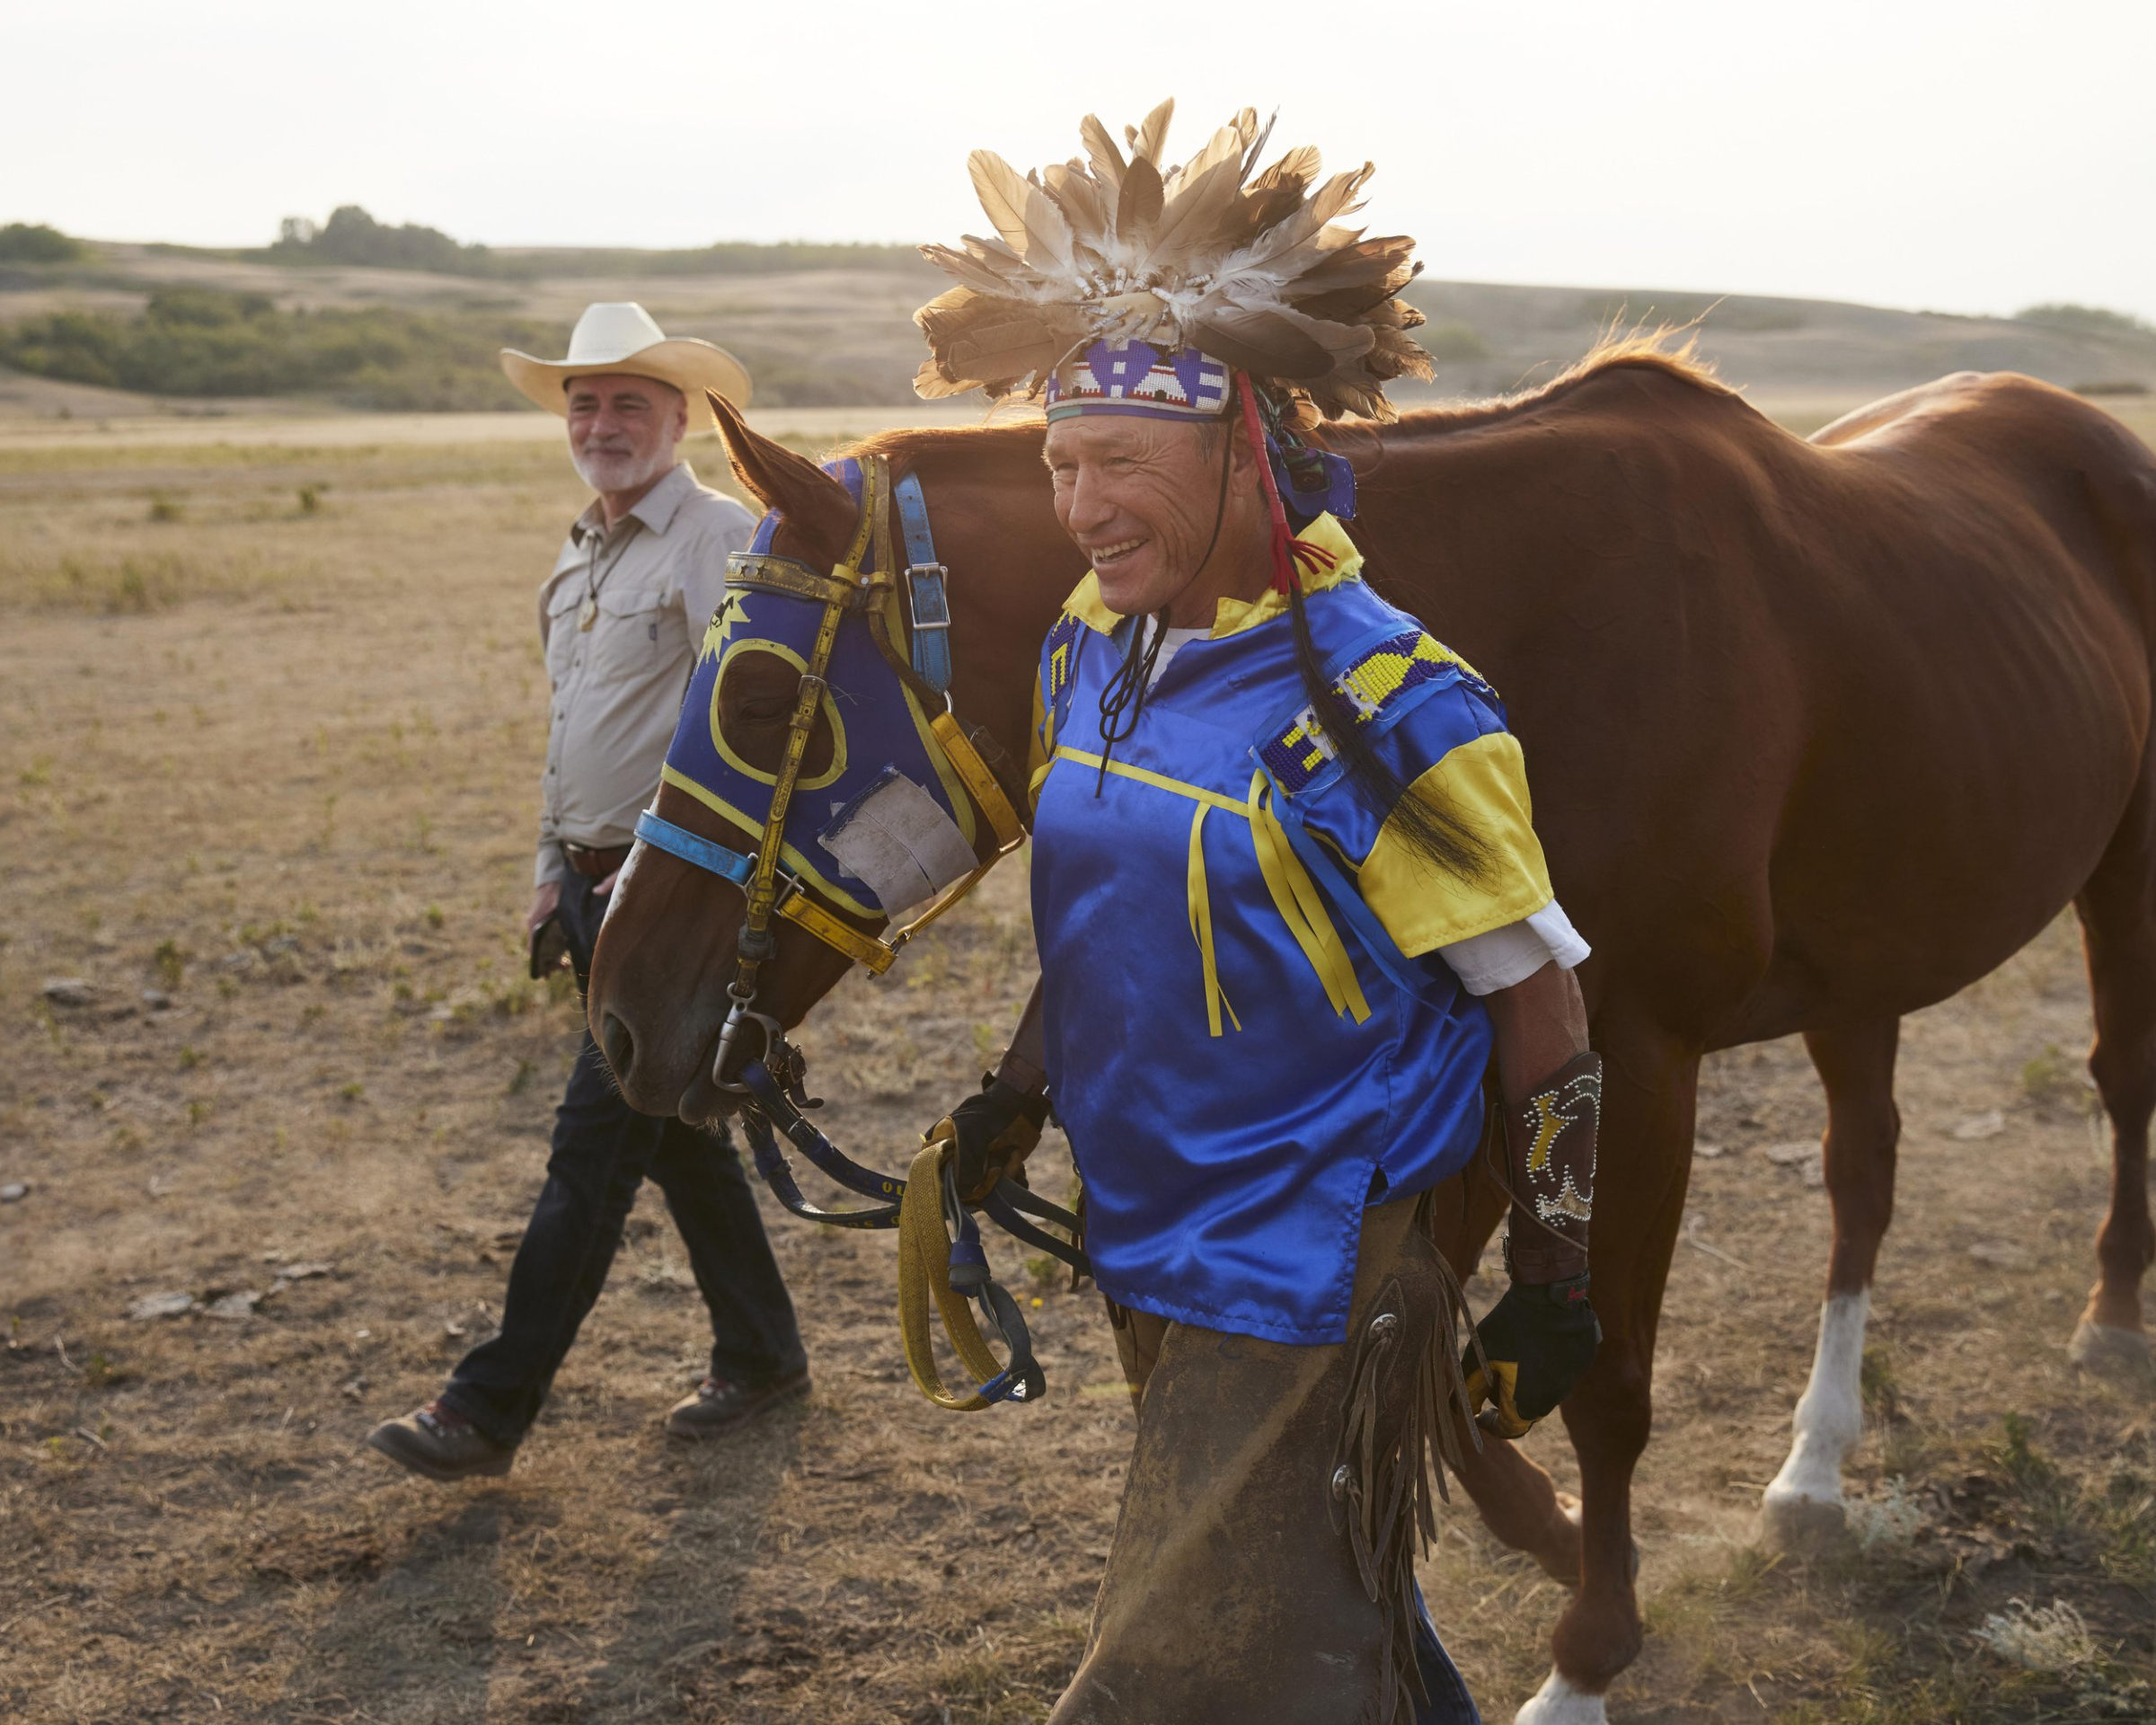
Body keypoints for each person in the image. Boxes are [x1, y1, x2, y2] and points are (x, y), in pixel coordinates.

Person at [912, 109, 1602, 1722]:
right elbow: (1096, 915)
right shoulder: (1098, 645)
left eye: (1119, 466)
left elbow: (1545, 1015)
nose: (1079, 508)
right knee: (1322, 1621)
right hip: (1145, 1235)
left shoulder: (1393, 706)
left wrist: (1554, 1283)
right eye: (1060, 463)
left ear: (1242, 452)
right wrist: (1017, 1099)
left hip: (1306, 1273)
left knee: (1176, 1674)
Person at [367, 304, 808, 1482]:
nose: (602, 424)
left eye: (628, 403)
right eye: (585, 403)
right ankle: (765, 1357)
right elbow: (576, 732)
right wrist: (546, 873)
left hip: (669, 904)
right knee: (672, 1143)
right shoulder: (581, 549)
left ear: (679, 418)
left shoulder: (720, 539)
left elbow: (756, 734)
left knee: (589, 1157)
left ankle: (485, 1408)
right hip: (585, 885)